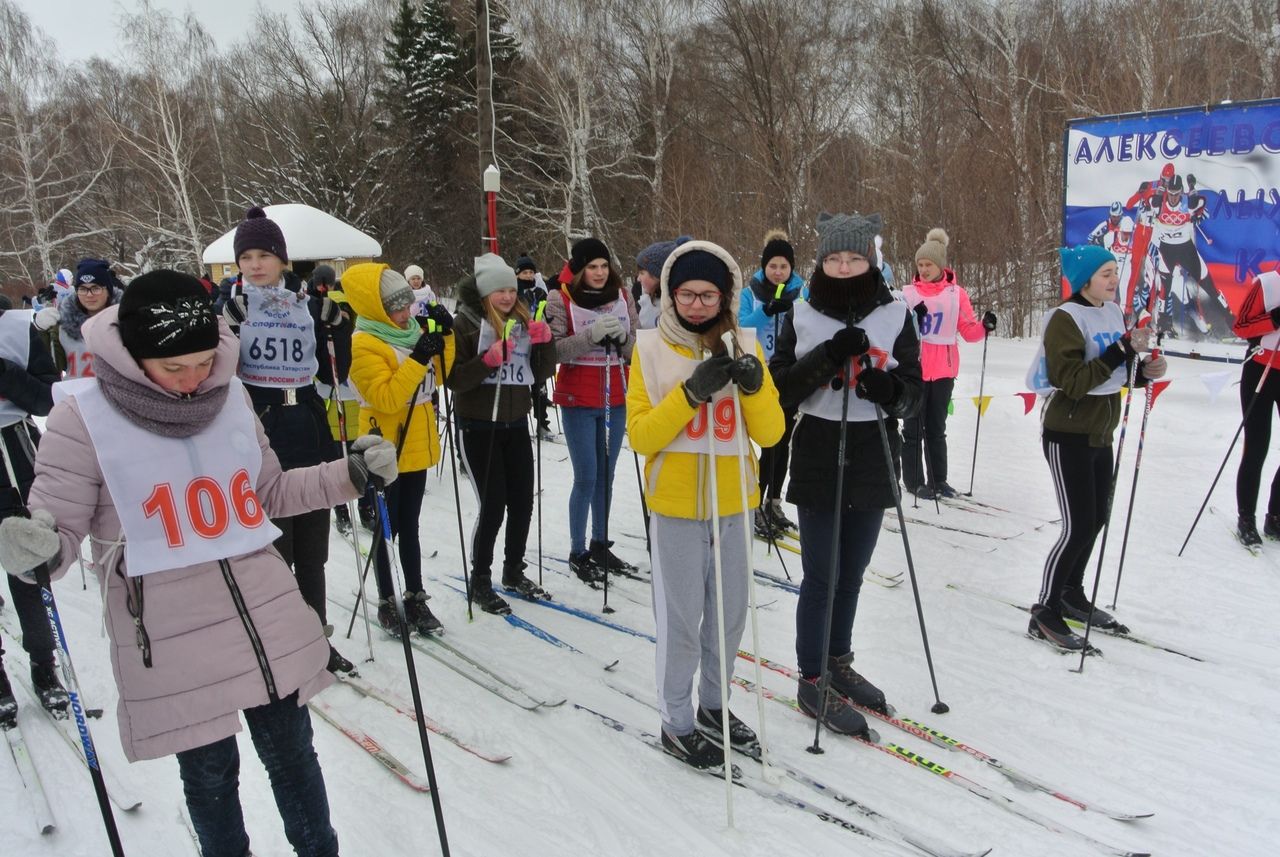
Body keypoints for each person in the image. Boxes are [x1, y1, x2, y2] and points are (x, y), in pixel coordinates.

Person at [0, 270, 399, 856]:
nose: (193, 380)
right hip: (170, 635)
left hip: (264, 619)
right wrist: (38, 552)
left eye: (203, 361)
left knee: (296, 759)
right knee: (212, 783)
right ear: (134, 357)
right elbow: (57, 534)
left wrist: (351, 475)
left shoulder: (228, 394)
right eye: (173, 368)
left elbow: (266, 495)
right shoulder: (81, 417)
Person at [628, 239, 783, 770]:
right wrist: (690, 394)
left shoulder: (744, 345)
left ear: (726, 296)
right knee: (681, 620)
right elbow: (643, 435)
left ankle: (715, 707)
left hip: (734, 501)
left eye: (708, 295)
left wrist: (756, 387)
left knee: (729, 617)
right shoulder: (649, 349)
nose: (697, 305)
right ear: (671, 295)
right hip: (675, 505)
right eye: (687, 294)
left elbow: (771, 431)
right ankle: (677, 722)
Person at [769, 211, 922, 735]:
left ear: (871, 259)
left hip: (873, 447)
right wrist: (830, 355)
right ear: (822, 261)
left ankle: (838, 662)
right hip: (817, 445)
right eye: (834, 258)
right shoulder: (803, 310)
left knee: (852, 574)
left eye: (854, 257)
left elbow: (915, 395)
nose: (843, 266)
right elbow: (781, 389)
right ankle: (811, 679)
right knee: (822, 575)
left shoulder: (896, 312)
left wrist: (891, 393)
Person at [220, 207, 355, 674]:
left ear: (281, 259)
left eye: (265, 255)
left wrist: (338, 325)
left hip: (308, 427)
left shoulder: (303, 302)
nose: (255, 265)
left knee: (313, 554)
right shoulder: (230, 304)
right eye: (247, 257)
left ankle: (316, 638)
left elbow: (334, 367)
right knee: (277, 554)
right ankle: (278, 642)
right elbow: (216, 371)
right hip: (260, 431)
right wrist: (227, 326)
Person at [1025, 245, 1165, 650]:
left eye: (1113, 273)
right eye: (1105, 273)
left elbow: (1112, 374)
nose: (1112, 280)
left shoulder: (1112, 312)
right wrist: (1122, 350)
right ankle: (1045, 610)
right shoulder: (1065, 319)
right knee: (1078, 525)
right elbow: (1073, 381)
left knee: (1097, 517)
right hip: (1067, 434)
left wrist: (1142, 373)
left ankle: (1071, 593)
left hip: (1100, 433)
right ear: (1085, 279)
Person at [344, 263, 453, 636]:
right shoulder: (363, 343)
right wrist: (420, 358)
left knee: (411, 525)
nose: (406, 314)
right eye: (397, 309)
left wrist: (446, 336)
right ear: (376, 310)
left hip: (417, 444)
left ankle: (415, 596)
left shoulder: (409, 333)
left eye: (407, 306)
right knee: (384, 527)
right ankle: (387, 600)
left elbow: (441, 375)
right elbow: (387, 398)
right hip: (384, 449)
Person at [448, 254, 557, 614]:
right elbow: (455, 379)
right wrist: (487, 361)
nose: (508, 297)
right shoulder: (464, 324)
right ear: (484, 293)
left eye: (512, 290)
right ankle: (480, 578)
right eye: (500, 291)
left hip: (514, 421)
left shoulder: (523, 321)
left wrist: (544, 343)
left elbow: (540, 373)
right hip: (479, 425)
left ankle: (513, 569)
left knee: (523, 501)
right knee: (493, 504)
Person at [545, 237, 640, 583]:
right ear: (580, 270)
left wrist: (622, 340)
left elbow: (639, 349)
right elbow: (552, 352)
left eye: (604, 266)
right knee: (586, 475)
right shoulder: (560, 299)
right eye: (592, 267)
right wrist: (592, 336)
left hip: (615, 394)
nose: (599, 273)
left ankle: (600, 541)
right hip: (578, 399)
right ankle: (577, 549)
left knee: (607, 474)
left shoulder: (623, 296)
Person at [0, 296, 68, 722]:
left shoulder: (15, 327)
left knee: (27, 560)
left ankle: (44, 666)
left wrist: (5, 373)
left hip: (15, 454)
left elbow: (46, 399)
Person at [900, 229, 992, 500]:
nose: (924, 269)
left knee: (936, 430)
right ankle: (914, 482)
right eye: (920, 264)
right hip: (914, 371)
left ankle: (939, 480)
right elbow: (897, 330)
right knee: (913, 428)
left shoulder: (956, 294)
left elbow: (968, 330)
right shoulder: (908, 293)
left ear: (940, 265)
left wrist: (984, 327)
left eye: (929, 264)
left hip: (943, 371)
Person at [738, 230, 806, 538]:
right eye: (773, 266)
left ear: (791, 267)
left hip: (788, 375)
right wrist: (765, 311)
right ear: (764, 266)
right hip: (758, 375)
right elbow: (740, 328)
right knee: (764, 443)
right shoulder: (751, 292)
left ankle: (773, 501)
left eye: (784, 266)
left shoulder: (800, 292)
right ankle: (754, 504)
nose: (778, 272)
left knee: (783, 442)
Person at [1229, 267, 1280, 547]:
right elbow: (1241, 326)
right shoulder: (1268, 283)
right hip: (1262, 370)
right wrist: (1273, 319)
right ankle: (1246, 517)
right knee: (1257, 446)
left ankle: (1276, 516)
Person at [311, 266, 361, 537]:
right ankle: (359, 510)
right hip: (341, 401)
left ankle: (345, 510)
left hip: (335, 402)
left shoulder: (323, 310)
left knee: (338, 462)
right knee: (352, 460)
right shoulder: (340, 307)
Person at [32, 258, 124, 378]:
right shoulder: (65, 324)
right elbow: (50, 366)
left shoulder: (124, 322)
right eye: (83, 289)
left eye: (95, 288)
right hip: (75, 393)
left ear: (108, 290)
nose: (89, 295)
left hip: (116, 394)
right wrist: (40, 331)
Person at [515, 255, 553, 439]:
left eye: (531, 272)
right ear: (518, 274)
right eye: (524, 272)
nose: (528, 276)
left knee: (540, 385)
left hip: (538, 342)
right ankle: (519, 421)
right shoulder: (514, 292)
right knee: (521, 385)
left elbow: (548, 312)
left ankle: (542, 423)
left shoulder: (539, 292)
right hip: (520, 343)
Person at [635, 239, 679, 331]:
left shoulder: (677, 308)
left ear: (659, 276)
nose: (638, 279)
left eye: (642, 273)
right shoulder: (647, 301)